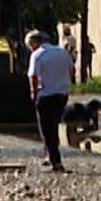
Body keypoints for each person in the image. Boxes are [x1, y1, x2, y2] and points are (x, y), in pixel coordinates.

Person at [25, 29, 71, 173]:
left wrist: (34, 92)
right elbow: (72, 70)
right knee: (54, 126)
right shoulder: (63, 52)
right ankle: (49, 156)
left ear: (34, 42)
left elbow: (32, 76)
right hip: (62, 95)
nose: (30, 48)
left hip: (45, 95)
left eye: (29, 45)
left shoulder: (37, 54)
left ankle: (56, 162)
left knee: (46, 130)